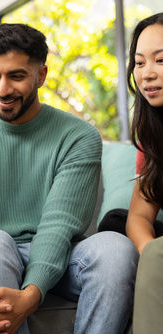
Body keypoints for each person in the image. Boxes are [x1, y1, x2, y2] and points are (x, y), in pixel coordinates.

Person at [0, 23, 139, 334]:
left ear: (41, 76)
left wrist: (30, 295)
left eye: (16, 76)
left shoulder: (78, 136)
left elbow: (59, 225)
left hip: (64, 258)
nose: (2, 90)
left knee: (116, 248)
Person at [122, 12, 163, 333]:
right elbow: (138, 217)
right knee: (114, 224)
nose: (147, 73)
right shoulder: (151, 136)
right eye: (139, 63)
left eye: (160, 60)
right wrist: (153, 255)